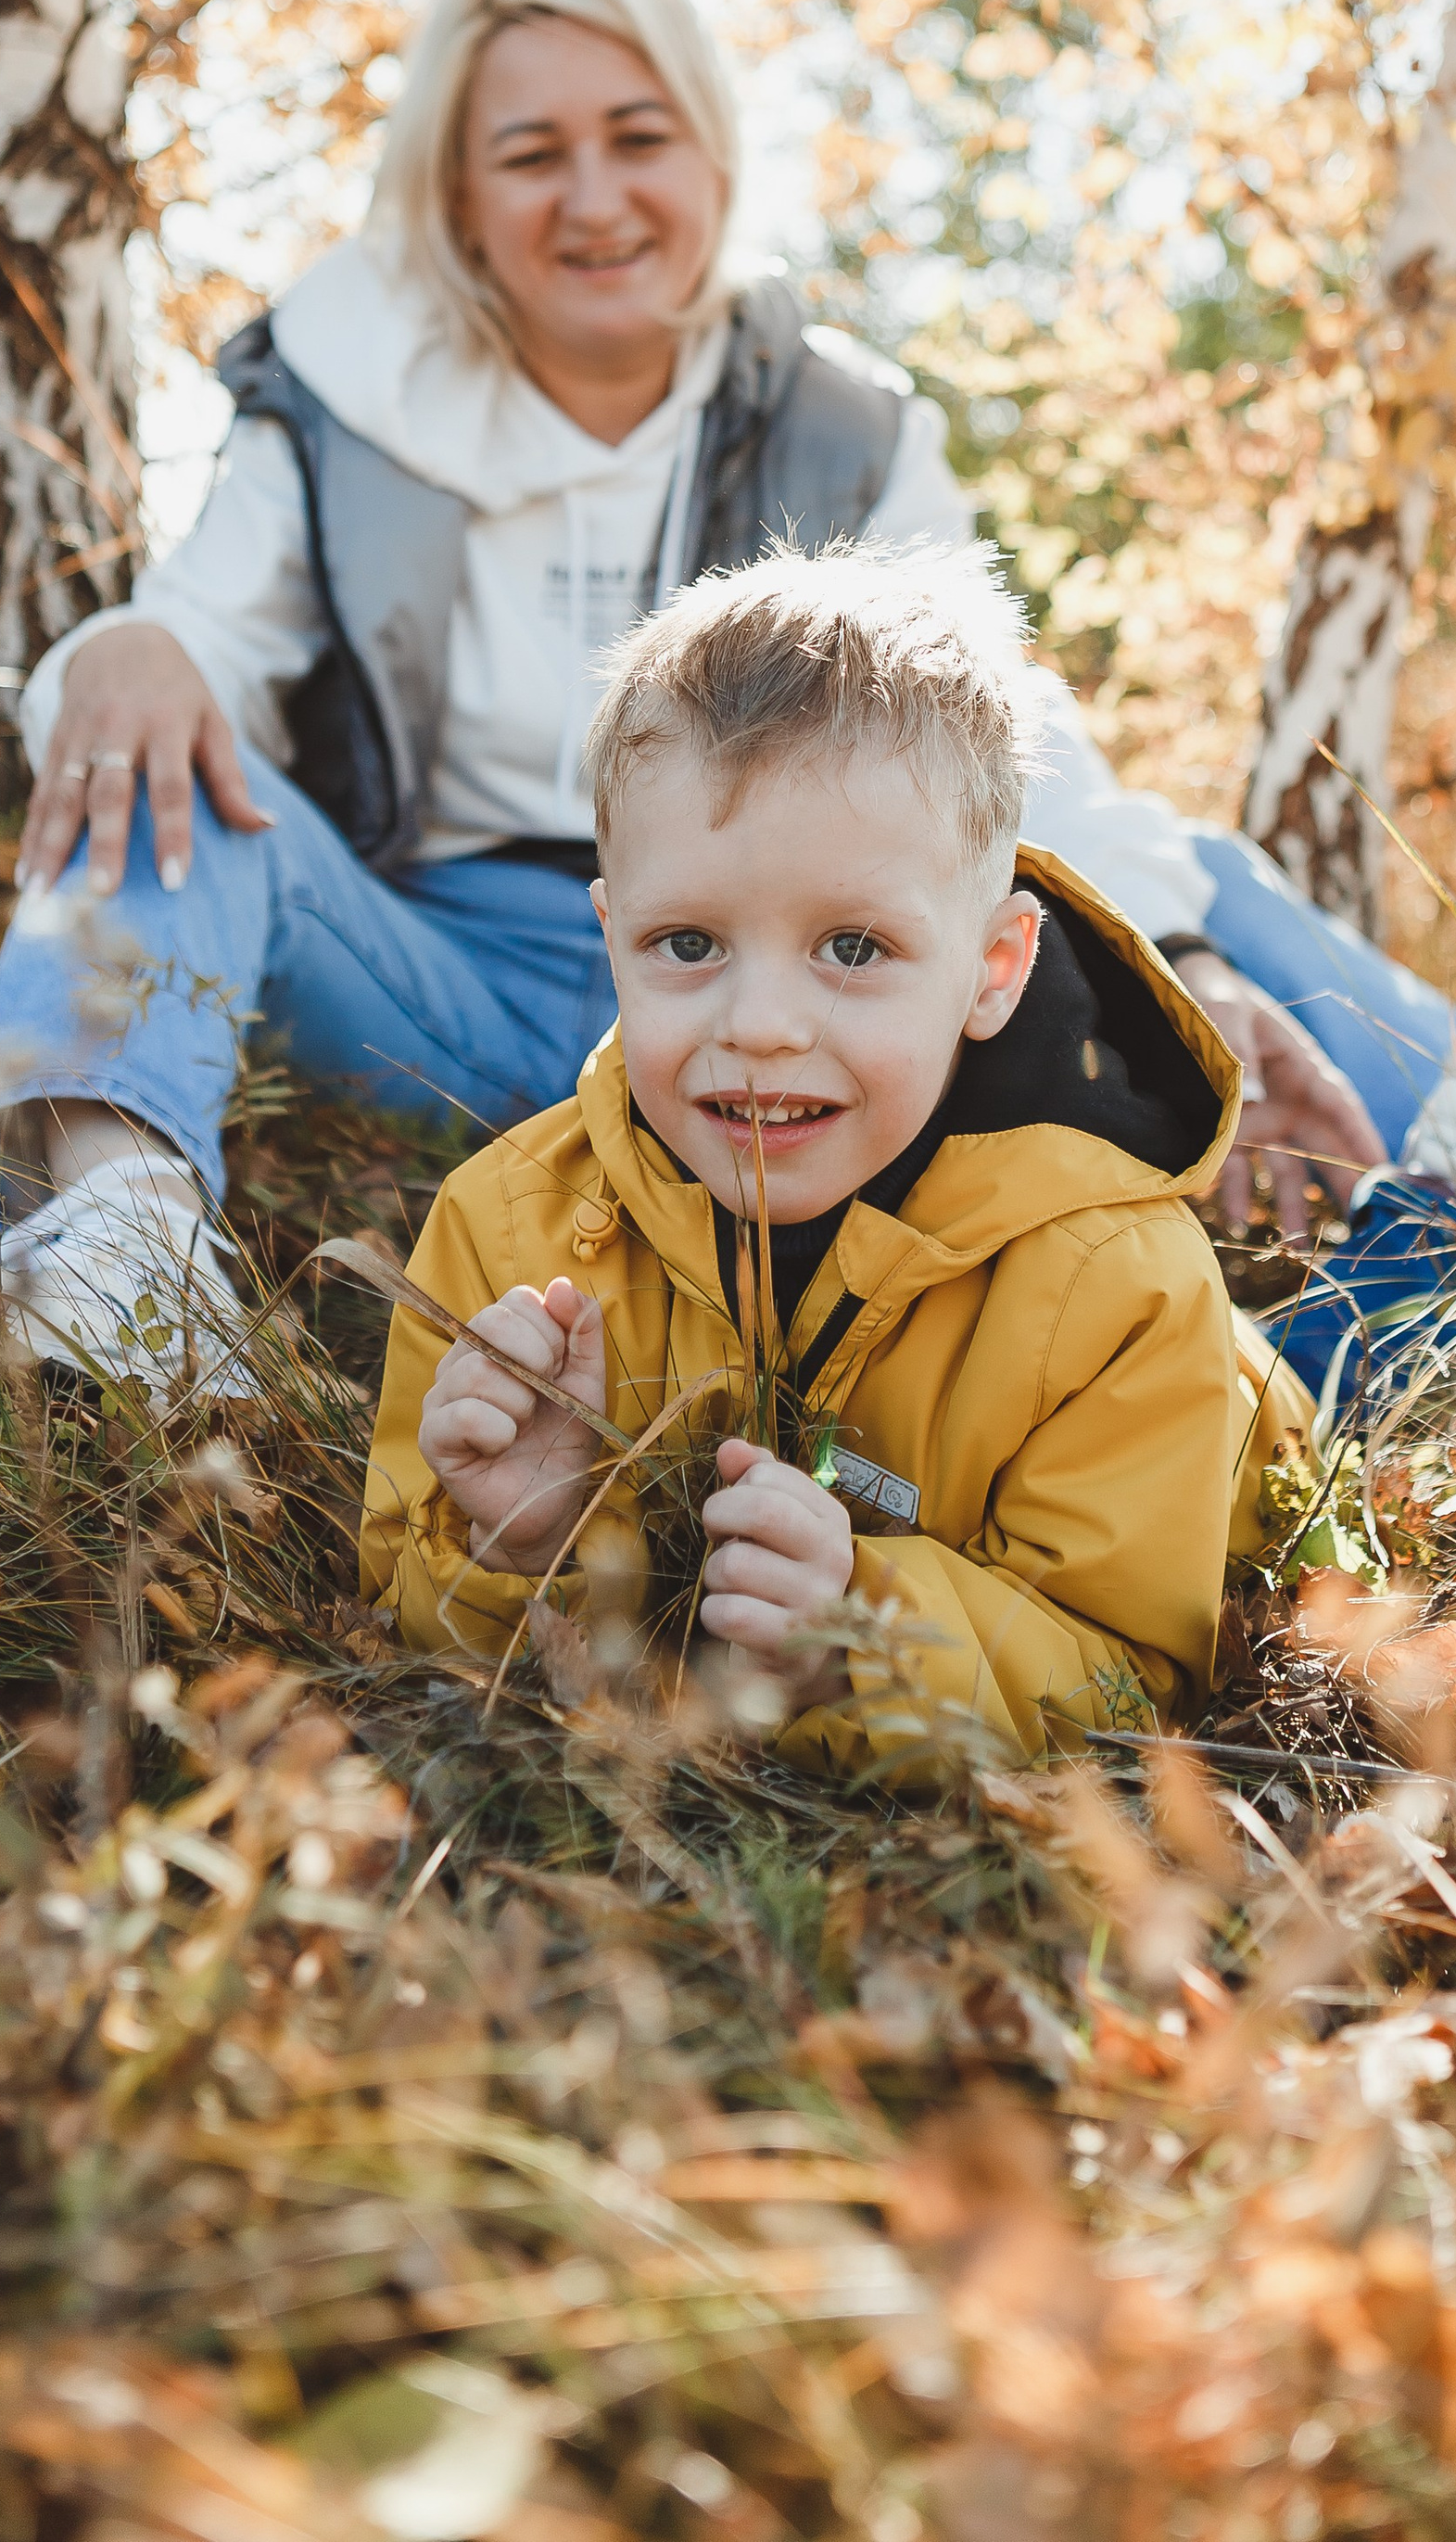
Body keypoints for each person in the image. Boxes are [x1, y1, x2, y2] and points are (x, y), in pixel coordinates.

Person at [0, 0, 1456, 1392]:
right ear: (460, 193)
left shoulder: (841, 429)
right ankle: (120, 1246)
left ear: (712, 158)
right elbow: (193, 636)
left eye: (639, 137)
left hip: (785, 990)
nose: (594, 198)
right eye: (530, 152)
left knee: (1186, 877)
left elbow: (1011, 737)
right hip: (446, 980)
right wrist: (119, 645)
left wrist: (1165, 951)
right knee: (151, 730)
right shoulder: (339, 392)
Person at [364, 546, 1310, 1774]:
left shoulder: (1125, 1290)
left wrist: (866, 1642)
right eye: (687, 942)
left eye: (853, 949)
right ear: (611, 935)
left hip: (1233, 1431)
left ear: (993, 968)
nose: (761, 1023)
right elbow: (398, 1588)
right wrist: (523, 1548)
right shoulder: (507, 1234)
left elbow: (1132, 1668)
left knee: (1358, 1337)